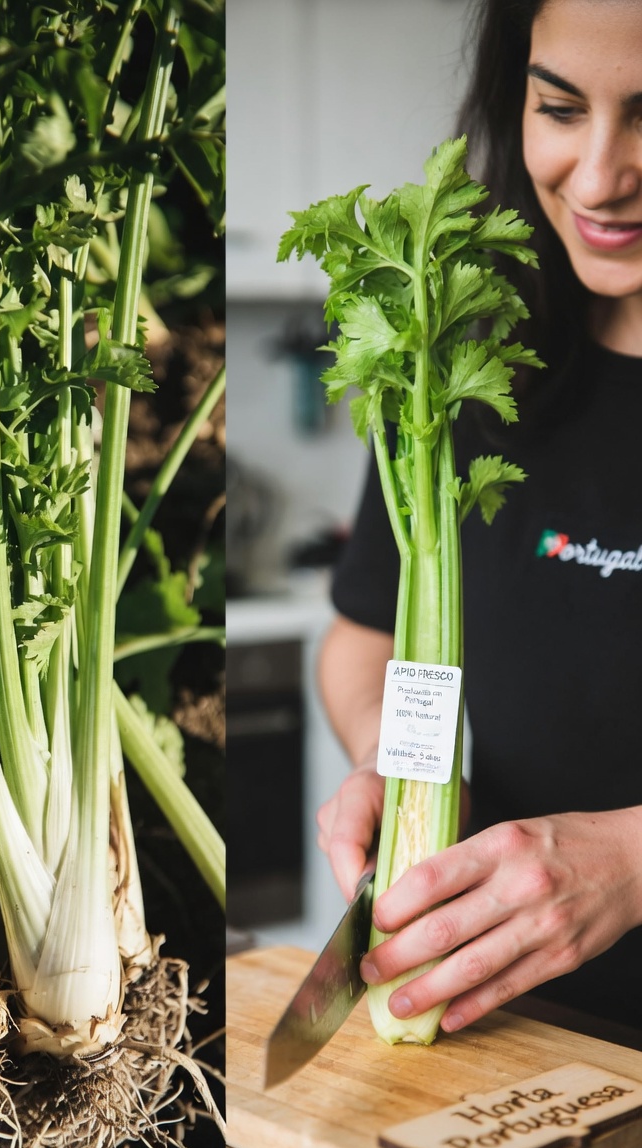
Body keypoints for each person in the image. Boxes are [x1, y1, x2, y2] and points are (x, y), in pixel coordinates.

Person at [316, 0, 642, 1034]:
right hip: (500, 1042)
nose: (596, 178)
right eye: (558, 107)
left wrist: (632, 863)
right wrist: (395, 763)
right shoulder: (461, 358)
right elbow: (360, 645)